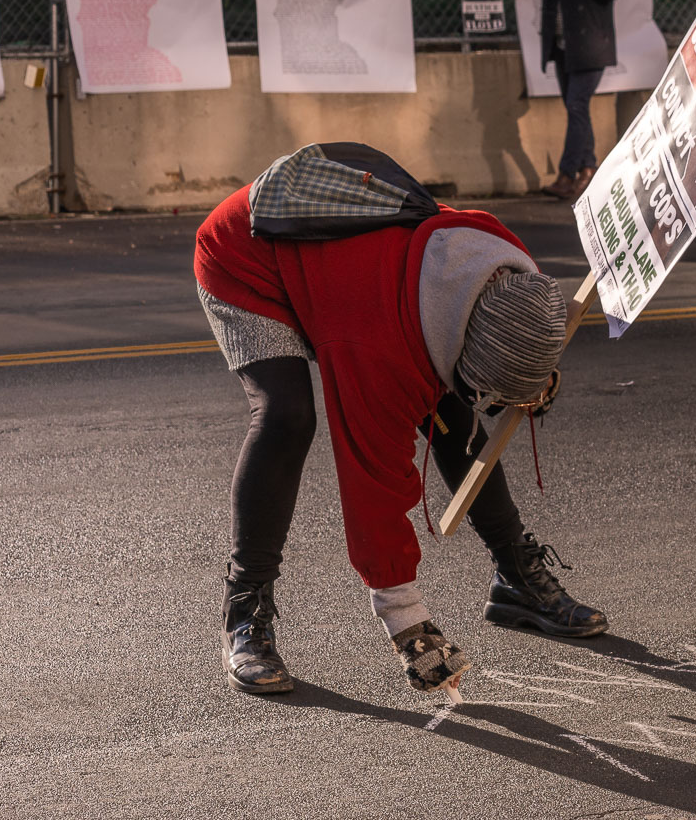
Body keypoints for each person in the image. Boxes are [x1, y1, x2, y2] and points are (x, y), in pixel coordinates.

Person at [194, 142, 608, 697]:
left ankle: (516, 579)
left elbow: (510, 349)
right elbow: (374, 487)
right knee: (286, 417)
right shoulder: (377, 353)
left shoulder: (500, 261)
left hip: (351, 271)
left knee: (452, 412)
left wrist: (532, 380)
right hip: (249, 257)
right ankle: (245, 612)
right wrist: (407, 622)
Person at [523, 0, 620, 201]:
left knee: (577, 104)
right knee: (575, 107)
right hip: (563, 46)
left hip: (591, 46)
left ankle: (567, 175)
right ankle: (589, 167)